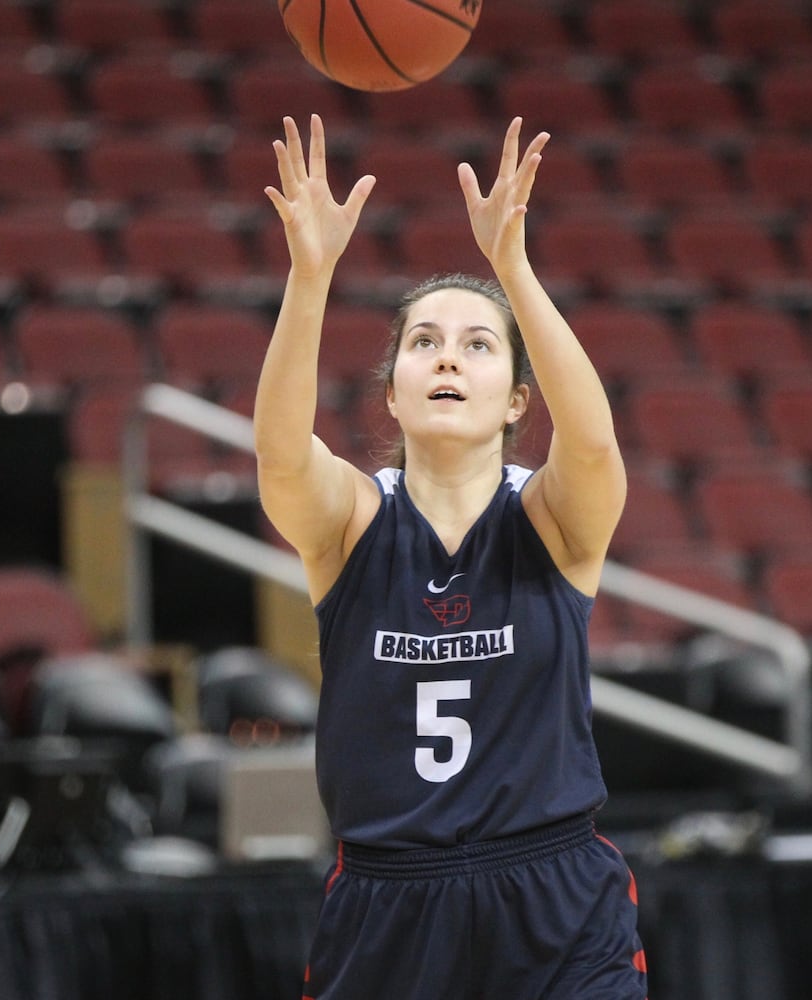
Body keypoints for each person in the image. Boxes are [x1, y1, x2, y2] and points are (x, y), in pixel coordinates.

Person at [255, 113, 647, 1000]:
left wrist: (513, 266)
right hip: (390, 901)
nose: (447, 359)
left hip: (554, 901)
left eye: (478, 345)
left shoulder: (549, 519)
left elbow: (592, 444)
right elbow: (280, 455)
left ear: (515, 399)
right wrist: (309, 275)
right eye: (423, 342)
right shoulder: (354, 522)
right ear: (390, 392)